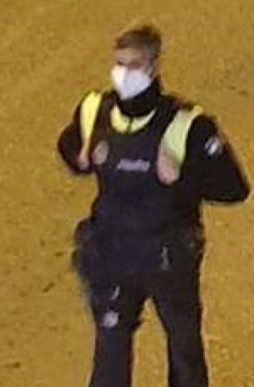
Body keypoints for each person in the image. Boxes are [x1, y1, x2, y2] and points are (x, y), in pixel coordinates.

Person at [57, 22, 248, 387]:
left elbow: (235, 188)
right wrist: (79, 159)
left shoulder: (189, 125)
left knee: (184, 350)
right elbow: (68, 148)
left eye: (134, 65)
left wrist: (182, 175)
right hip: (111, 252)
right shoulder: (94, 110)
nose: (123, 74)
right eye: (119, 64)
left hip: (167, 257)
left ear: (153, 67)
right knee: (109, 355)